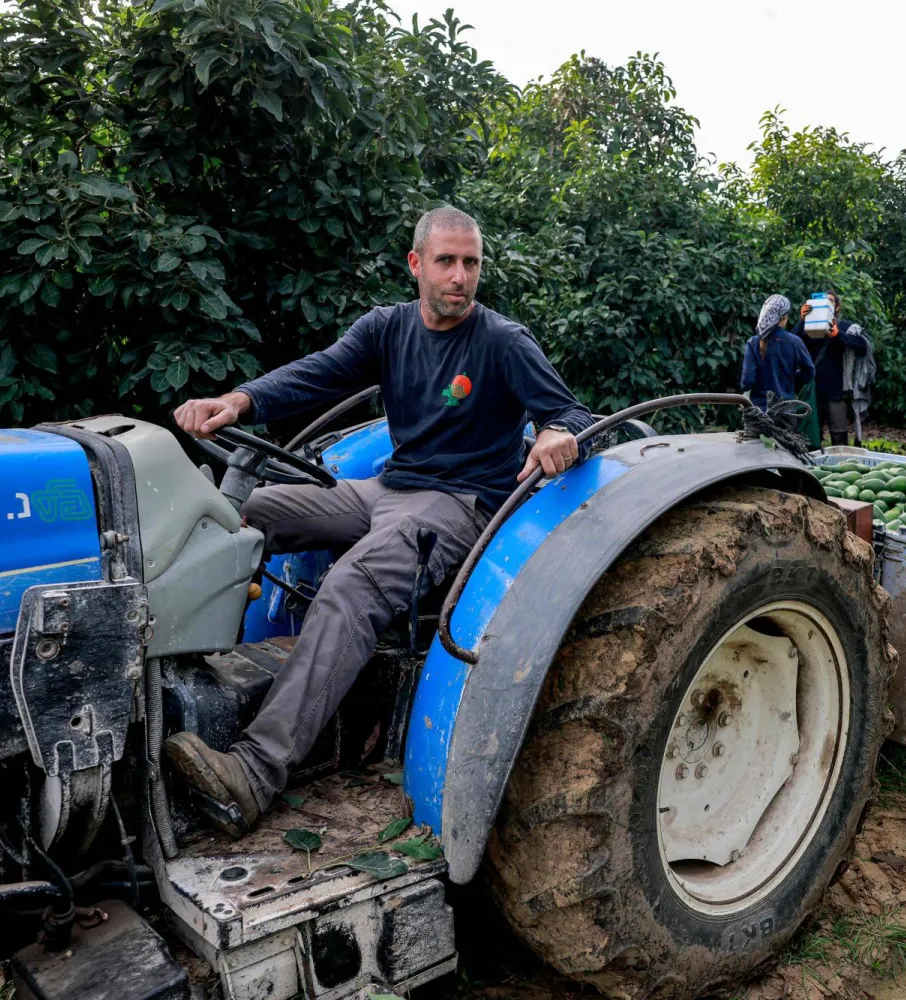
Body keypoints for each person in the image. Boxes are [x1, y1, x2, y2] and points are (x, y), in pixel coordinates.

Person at [165, 206, 593, 837]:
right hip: (386, 487)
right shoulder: (388, 329)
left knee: (349, 587)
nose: (460, 277)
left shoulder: (502, 341)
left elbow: (573, 413)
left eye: (470, 263)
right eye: (446, 261)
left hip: (457, 504)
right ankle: (180, 680)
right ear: (416, 265)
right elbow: (318, 371)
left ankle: (254, 773)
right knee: (241, 516)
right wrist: (239, 400)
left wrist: (560, 433)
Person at [790, 291, 871, 446]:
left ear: (837, 306)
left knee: (839, 433)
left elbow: (863, 346)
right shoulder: (808, 326)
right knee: (811, 432)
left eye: (831, 301)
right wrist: (801, 321)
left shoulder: (844, 326)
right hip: (812, 389)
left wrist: (838, 334)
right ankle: (810, 465)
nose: (827, 303)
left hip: (835, 390)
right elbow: (791, 342)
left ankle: (840, 464)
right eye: (823, 300)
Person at [740, 294, 815, 411]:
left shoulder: (753, 342)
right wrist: (792, 377)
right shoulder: (794, 342)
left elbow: (747, 381)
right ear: (784, 318)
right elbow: (809, 373)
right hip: (786, 411)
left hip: (759, 410)